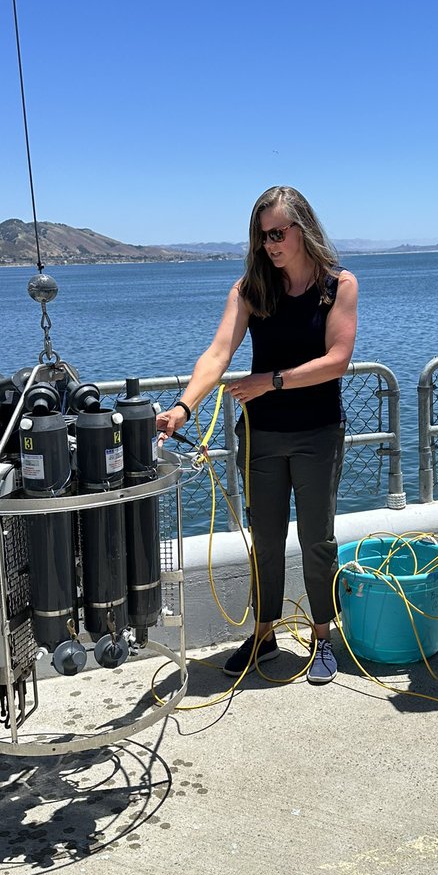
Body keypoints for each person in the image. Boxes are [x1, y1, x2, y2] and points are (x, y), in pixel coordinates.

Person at [156, 186, 358, 683]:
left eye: (277, 233)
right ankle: (264, 635)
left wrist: (271, 380)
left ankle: (323, 638)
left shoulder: (339, 285)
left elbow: (337, 360)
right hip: (261, 436)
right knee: (265, 541)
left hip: (317, 433)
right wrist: (184, 405)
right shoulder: (250, 289)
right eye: (262, 236)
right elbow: (218, 353)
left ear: (302, 229)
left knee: (317, 540)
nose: (269, 244)